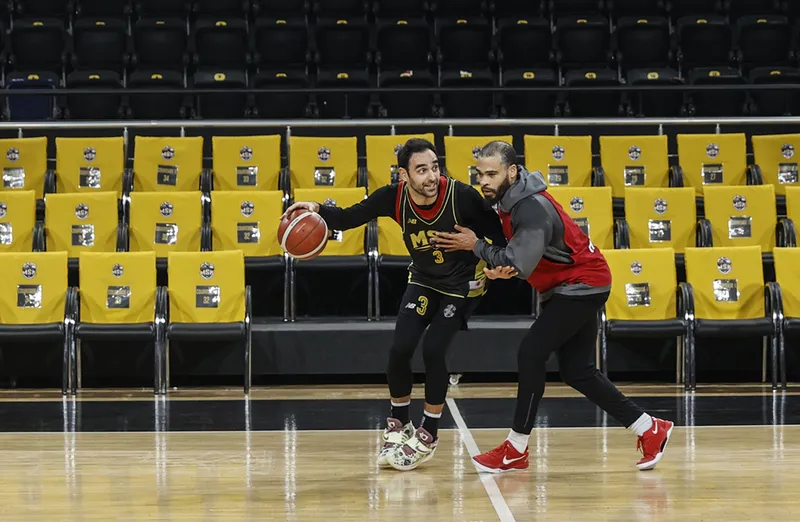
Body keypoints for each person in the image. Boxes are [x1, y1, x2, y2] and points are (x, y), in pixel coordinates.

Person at [433, 141, 674, 473]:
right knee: (577, 370)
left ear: (512, 171)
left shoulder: (529, 206)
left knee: (531, 353)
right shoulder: (511, 200)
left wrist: (476, 246)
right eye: (480, 174)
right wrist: (504, 265)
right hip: (575, 284)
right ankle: (649, 428)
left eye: (491, 174)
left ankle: (516, 448)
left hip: (581, 284)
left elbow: (518, 259)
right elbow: (520, 258)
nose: (484, 181)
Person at [281, 138, 506, 471]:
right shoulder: (394, 197)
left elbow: (500, 236)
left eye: (435, 167)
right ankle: (400, 423)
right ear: (404, 175)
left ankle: (429, 433)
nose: (431, 176)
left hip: (462, 285)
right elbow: (350, 217)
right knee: (400, 350)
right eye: (421, 170)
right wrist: (316, 208)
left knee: (433, 350)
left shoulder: (461, 197)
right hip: (424, 279)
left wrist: (490, 257)